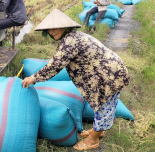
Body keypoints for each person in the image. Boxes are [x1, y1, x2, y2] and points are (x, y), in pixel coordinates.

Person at [22, 9, 130, 151]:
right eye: (49, 29)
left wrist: (33, 78)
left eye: (56, 28)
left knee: (104, 105)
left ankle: (93, 139)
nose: (51, 32)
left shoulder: (69, 42)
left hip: (109, 75)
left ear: (65, 26)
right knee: (99, 103)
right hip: (104, 72)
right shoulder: (71, 37)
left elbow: (54, 66)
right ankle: (98, 130)